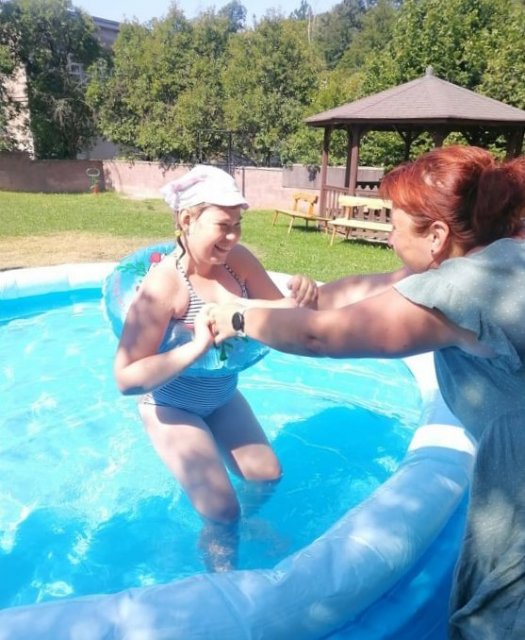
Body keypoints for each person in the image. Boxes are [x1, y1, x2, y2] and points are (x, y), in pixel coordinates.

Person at [206, 145, 525, 638]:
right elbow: (370, 289)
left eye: (395, 227)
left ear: (436, 236)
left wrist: (238, 318)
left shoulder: (462, 289)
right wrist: (305, 299)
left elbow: (319, 338)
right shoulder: (500, 253)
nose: (391, 238)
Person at [113, 164, 317, 571]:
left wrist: (302, 299)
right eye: (223, 225)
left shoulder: (238, 262)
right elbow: (126, 377)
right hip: (171, 405)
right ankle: (222, 572)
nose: (233, 236)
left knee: (267, 475)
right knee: (222, 509)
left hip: (222, 396)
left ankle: (246, 524)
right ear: (187, 220)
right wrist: (196, 347)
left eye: (238, 224)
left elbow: (278, 312)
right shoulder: (163, 286)